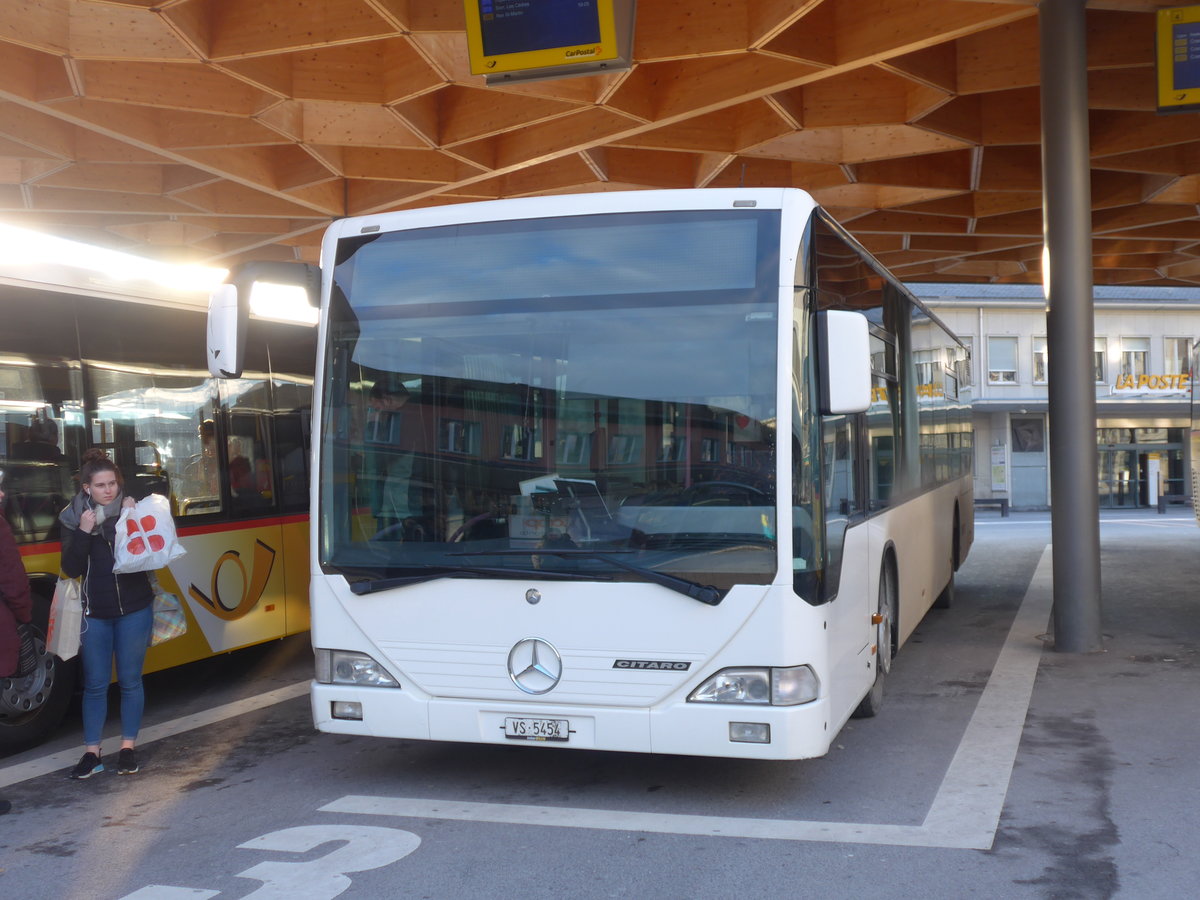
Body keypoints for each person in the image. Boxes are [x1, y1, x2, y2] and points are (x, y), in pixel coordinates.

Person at [59, 449, 154, 779]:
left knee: (130, 681)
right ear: (87, 488)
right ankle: (92, 753)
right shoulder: (72, 518)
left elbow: (151, 556)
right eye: (100, 485)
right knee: (96, 685)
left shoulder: (133, 510)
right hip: (94, 613)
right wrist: (85, 532)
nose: (109, 490)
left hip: (135, 608)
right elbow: (70, 567)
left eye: (113, 483)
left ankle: (127, 748)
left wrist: (132, 520)